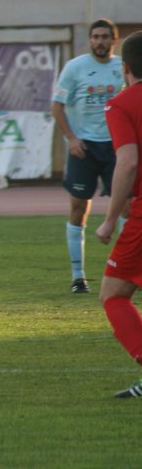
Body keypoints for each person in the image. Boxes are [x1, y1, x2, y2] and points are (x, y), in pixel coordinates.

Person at [53, 19, 122, 294]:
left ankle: (127, 272)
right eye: (96, 37)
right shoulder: (75, 67)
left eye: (105, 37)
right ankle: (78, 276)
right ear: (90, 40)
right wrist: (72, 138)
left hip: (116, 147)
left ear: (114, 41)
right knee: (79, 208)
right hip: (84, 148)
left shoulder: (123, 67)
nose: (100, 41)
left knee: (128, 209)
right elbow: (57, 106)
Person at [94, 31, 142, 397]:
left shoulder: (121, 104)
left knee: (114, 293)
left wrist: (110, 218)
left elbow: (127, 162)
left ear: (124, 67)